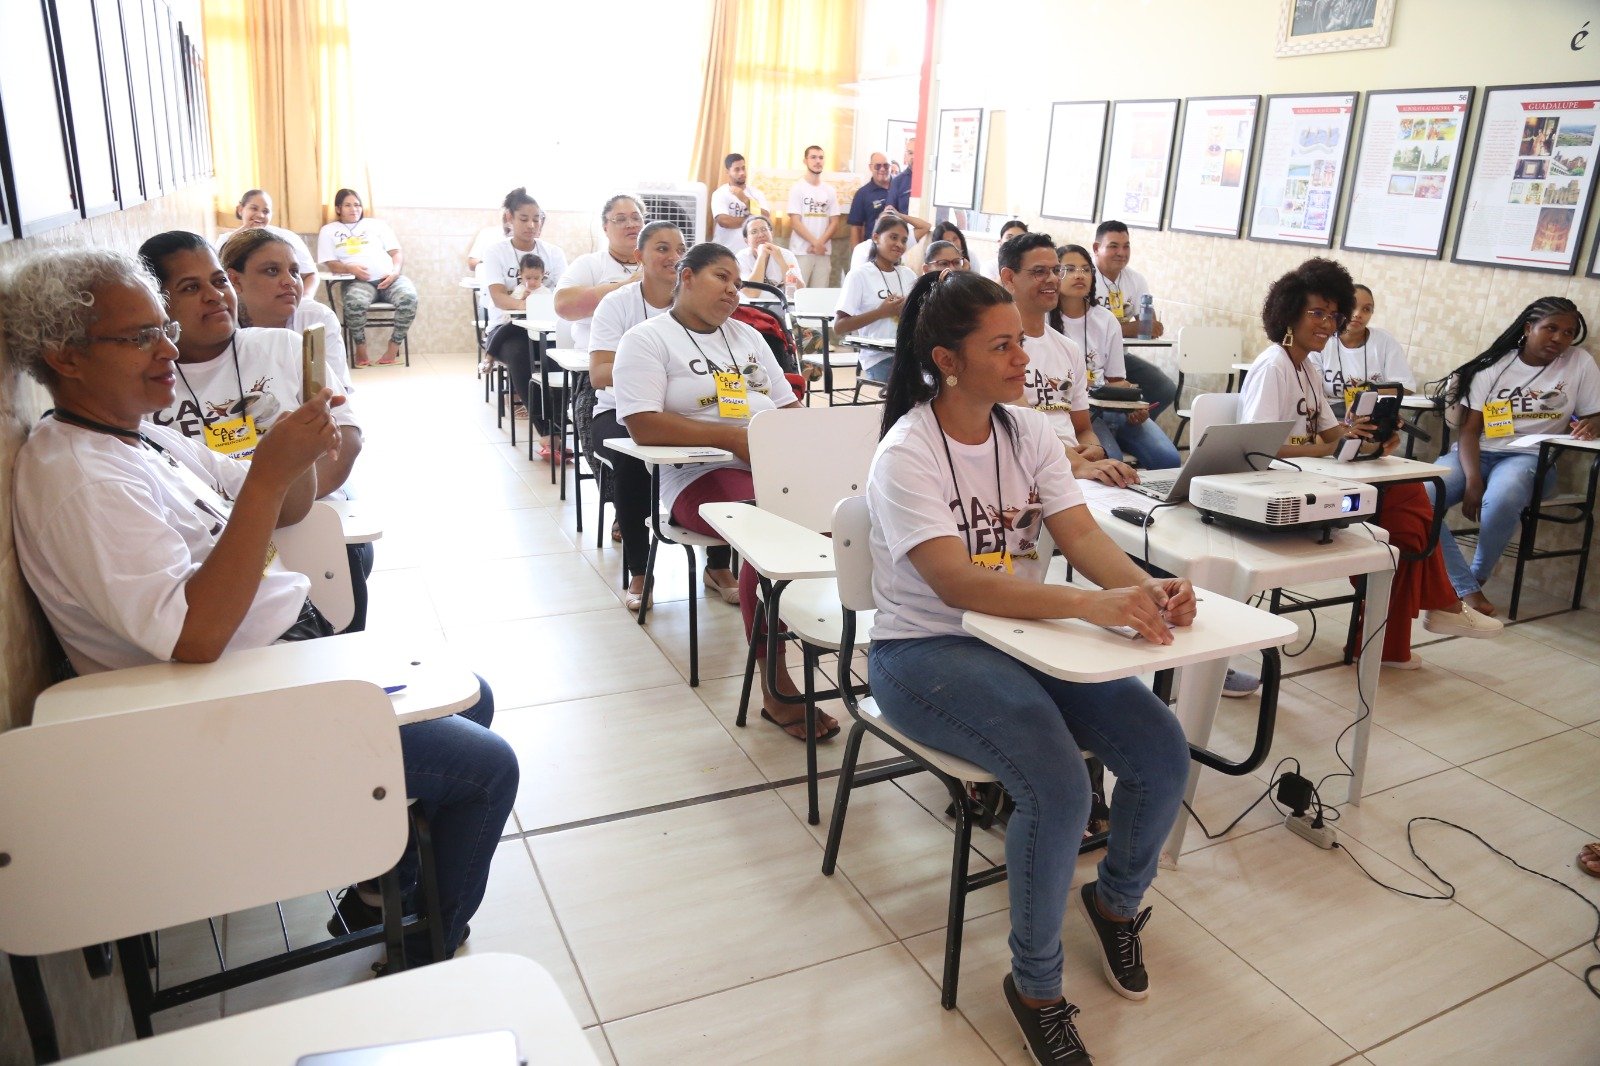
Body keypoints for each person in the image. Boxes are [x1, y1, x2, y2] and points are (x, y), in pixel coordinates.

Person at [1, 247, 516, 967]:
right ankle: (423, 951)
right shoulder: (79, 479)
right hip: (219, 713)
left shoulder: (134, 435)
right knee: (486, 769)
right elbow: (194, 635)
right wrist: (271, 475)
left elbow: (281, 499)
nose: (167, 351)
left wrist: (301, 444)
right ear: (68, 357)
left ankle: (381, 895)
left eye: (164, 329)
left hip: (275, 661)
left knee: (473, 698)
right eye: (140, 336)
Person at [867, 268, 1193, 1064]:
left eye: (1022, 339)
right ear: (948, 359)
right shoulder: (908, 451)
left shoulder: (1029, 433)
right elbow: (956, 583)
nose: (1025, 356)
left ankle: (1114, 907)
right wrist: (1092, 607)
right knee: (1056, 782)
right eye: (1004, 344)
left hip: (1023, 635)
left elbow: (1081, 538)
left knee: (1159, 750)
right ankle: (1037, 986)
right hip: (924, 650)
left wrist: (1145, 589)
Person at [1241, 257, 1502, 668]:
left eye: (1333, 315)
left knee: (1407, 520)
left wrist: (1369, 440)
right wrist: (1331, 448)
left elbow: (1330, 435)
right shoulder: (1273, 365)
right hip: (1275, 489)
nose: (1328, 324)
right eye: (1316, 313)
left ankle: (1398, 636)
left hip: (1311, 477)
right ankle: (1428, 615)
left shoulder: (1306, 366)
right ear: (1288, 312)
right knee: (1411, 510)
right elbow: (1259, 449)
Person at [612, 243, 828, 738]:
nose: (733, 289)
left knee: (842, 515)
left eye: (737, 280)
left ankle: (835, 643)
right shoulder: (647, 340)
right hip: (696, 475)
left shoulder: (749, 337)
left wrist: (818, 445)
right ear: (685, 278)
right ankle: (775, 685)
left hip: (769, 469)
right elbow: (643, 425)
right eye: (720, 277)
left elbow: (786, 408)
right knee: (768, 532)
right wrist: (731, 438)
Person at [143, 231, 374, 634]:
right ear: (159, 304)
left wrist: (273, 500)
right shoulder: (152, 381)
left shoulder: (283, 347)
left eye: (218, 281)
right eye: (190, 287)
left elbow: (346, 444)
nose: (214, 296)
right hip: (214, 543)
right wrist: (260, 500)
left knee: (341, 566)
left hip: (303, 517)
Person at [1428, 297, 1600, 617]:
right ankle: (1464, 585)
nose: (1559, 338)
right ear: (1528, 328)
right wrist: (1473, 481)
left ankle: (1475, 576)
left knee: (1503, 495)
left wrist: (1592, 423)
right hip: (1476, 454)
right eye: (1551, 329)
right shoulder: (1495, 365)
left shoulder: (1579, 363)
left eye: (1568, 332)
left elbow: (1594, 414)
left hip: (1532, 459)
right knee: (1419, 494)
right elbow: (1468, 432)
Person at [586, 220, 686, 612]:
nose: (673, 257)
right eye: (662, 248)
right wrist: (655, 373)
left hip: (680, 412)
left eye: (680, 249)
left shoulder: (692, 305)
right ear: (639, 256)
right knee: (632, 454)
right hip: (618, 411)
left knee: (725, 446)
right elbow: (598, 374)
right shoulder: (618, 304)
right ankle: (639, 570)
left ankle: (717, 565)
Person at [997, 232, 1137, 487]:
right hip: (1027, 469)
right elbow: (1025, 426)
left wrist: (1093, 448)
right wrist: (1079, 463)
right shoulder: (998, 346)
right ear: (1009, 278)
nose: (1052, 279)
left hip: (1072, 468)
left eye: (1055, 270)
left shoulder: (1068, 348)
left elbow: (1082, 427)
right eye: (1039, 271)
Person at [1052, 243, 1181, 471]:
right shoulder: (1043, 320)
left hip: (1111, 407)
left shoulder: (1106, 319)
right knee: (1110, 462)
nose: (1079, 275)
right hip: (1082, 412)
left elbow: (1116, 381)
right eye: (1069, 269)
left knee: (1169, 460)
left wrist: (1134, 404)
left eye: (1085, 269)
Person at [480, 188, 572, 460]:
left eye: (537, 219)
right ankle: (546, 434)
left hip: (546, 326)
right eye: (524, 219)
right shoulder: (496, 252)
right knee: (522, 354)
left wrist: (541, 308)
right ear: (509, 218)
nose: (531, 225)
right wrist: (527, 306)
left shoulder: (554, 253)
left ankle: (558, 431)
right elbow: (498, 297)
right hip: (507, 329)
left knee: (555, 358)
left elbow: (564, 294)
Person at [221, 227, 353, 400]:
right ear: (235, 280)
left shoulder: (316, 319)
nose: (290, 281)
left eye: (294, 272)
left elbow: (337, 401)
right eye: (272, 271)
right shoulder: (219, 326)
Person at [316, 189, 416, 367]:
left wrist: (394, 272)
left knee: (409, 298)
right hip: (358, 282)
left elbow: (396, 252)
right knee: (354, 304)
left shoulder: (377, 225)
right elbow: (331, 263)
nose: (354, 209)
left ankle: (393, 348)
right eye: (348, 205)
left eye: (357, 205)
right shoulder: (329, 230)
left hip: (390, 279)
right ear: (338, 208)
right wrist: (349, 268)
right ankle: (360, 350)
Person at [1090, 221, 1178, 415]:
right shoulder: (1085, 277)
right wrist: (1130, 327)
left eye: (1126, 246)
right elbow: (1090, 329)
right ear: (1096, 248)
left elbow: (1150, 328)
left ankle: (1135, 427)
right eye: (1113, 246)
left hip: (1120, 357)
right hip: (1089, 359)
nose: (1121, 252)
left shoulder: (1135, 279)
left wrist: (1122, 327)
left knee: (1164, 389)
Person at [835, 214, 918, 385]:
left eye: (904, 240)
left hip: (909, 353)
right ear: (876, 237)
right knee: (911, 390)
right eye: (893, 238)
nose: (899, 245)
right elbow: (839, 327)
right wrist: (881, 312)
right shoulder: (859, 275)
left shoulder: (908, 274)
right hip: (878, 357)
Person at [1318, 284, 1416, 413]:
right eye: (1352, 306)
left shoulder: (1384, 341)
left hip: (1371, 413)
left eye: (1366, 309)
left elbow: (1406, 386)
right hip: (1329, 415)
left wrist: (1364, 395)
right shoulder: (1323, 338)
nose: (1358, 314)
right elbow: (1310, 387)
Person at [215, 189, 317, 296]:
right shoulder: (225, 241)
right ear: (240, 209)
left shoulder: (287, 238)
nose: (260, 215)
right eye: (254, 208)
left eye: (266, 211)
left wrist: (304, 301)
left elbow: (311, 274)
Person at [786, 145, 841, 288]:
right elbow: (795, 222)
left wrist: (819, 244)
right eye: (813, 157)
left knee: (819, 294)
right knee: (797, 293)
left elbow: (834, 222)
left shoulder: (830, 190)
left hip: (823, 251)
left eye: (821, 157)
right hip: (801, 251)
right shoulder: (797, 188)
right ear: (805, 161)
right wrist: (815, 243)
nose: (818, 161)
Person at [711, 153, 769, 252]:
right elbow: (724, 221)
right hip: (724, 251)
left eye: (743, 168)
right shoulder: (720, 193)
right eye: (737, 169)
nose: (742, 172)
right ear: (728, 171)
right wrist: (751, 220)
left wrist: (745, 199)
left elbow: (764, 217)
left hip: (750, 252)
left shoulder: (756, 193)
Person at [735, 215, 804, 295]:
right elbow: (752, 293)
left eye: (764, 229)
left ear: (771, 233)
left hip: (780, 305)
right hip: (752, 305)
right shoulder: (741, 257)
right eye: (754, 232)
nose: (761, 235)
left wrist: (781, 260)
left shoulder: (786, 255)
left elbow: (799, 291)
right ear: (746, 240)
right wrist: (761, 257)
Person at [847, 153, 896, 248]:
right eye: (878, 166)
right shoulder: (862, 194)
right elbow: (856, 227)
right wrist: (857, 256)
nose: (882, 169)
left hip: (899, 248)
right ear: (870, 167)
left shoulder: (900, 188)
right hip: (873, 250)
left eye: (886, 166)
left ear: (890, 166)